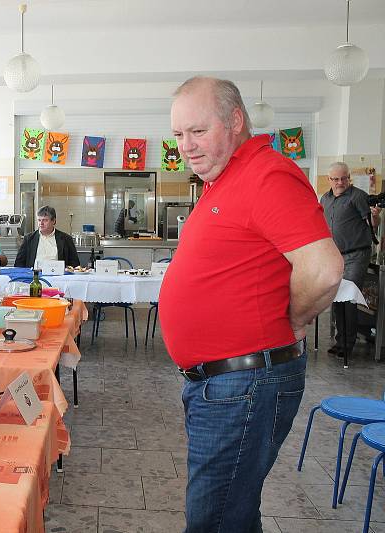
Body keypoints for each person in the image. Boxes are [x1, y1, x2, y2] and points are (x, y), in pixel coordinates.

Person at [158, 77, 344, 532]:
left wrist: (295, 319)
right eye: (179, 135)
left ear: (236, 121)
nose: (186, 145)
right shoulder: (224, 180)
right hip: (222, 383)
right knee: (231, 513)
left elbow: (323, 270)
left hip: (244, 381)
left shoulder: (266, 173)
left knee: (214, 520)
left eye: (197, 131)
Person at [319, 162, 380, 357]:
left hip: (356, 255)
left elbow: (372, 224)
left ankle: (348, 344)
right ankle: (340, 340)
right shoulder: (325, 199)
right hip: (335, 256)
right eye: (335, 179)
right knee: (336, 298)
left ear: (349, 178)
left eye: (343, 178)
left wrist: (376, 216)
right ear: (329, 180)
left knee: (348, 298)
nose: (340, 182)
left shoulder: (358, 196)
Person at [14, 206, 80, 268]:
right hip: (34, 276)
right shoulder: (29, 238)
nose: (41, 223)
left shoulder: (66, 239)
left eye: (45, 220)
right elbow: (18, 264)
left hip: (59, 277)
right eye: (39, 220)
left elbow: (75, 264)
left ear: (53, 221)